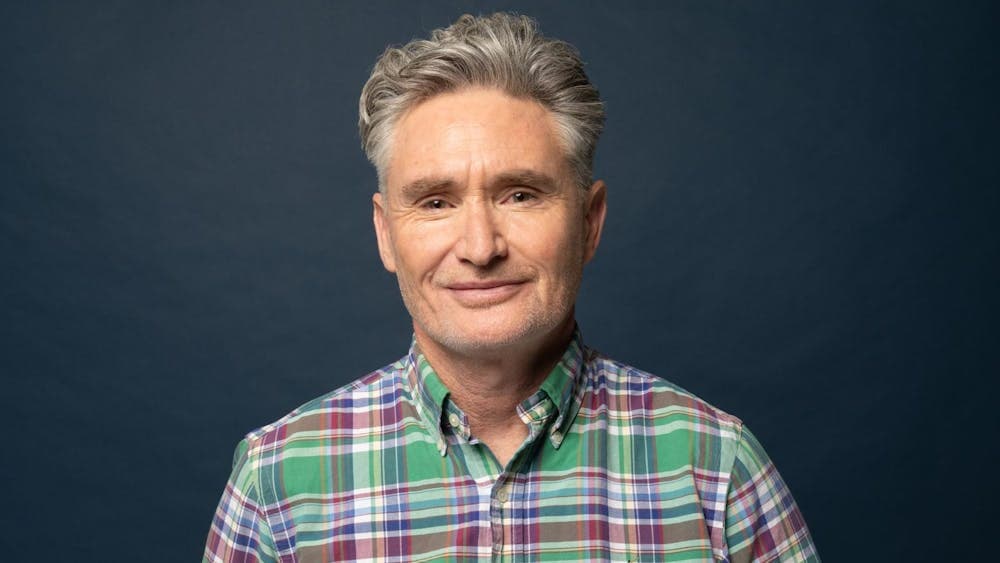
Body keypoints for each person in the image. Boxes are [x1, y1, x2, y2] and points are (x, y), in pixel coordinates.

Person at [204, 12, 819, 562]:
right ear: (386, 234)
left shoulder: (716, 470)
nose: (479, 246)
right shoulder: (277, 485)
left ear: (589, 221)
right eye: (436, 201)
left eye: (520, 194)